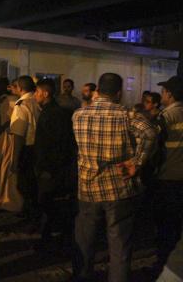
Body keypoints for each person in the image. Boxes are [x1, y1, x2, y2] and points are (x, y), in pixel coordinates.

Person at [72, 73, 156, 282]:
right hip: (119, 188)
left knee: (84, 242)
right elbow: (150, 134)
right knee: (119, 247)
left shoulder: (78, 115)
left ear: (97, 91)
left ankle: (83, 277)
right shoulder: (127, 115)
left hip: (88, 187)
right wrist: (136, 163)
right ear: (118, 93)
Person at [33, 78, 76, 243]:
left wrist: (46, 168)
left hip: (50, 168)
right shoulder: (52, 111)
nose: (35, 95)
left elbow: (53, 143)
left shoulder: (52, 114)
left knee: (48, 203)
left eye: (37, 92)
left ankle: (48, 239)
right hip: (52, 167)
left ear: (45, 93)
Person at [0, 76, 40, 215]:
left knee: (24, 184)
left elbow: (18, 135)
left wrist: (15, 158)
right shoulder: (36, 101)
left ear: (20, 88)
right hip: (37, 147)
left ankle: (28, 215)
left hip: (26, 148)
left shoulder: (21, 105)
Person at [153, 76, 183, 272]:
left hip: (168, 177)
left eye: (164, 91)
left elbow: (153, 146)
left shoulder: (166, 117)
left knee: (166, 225)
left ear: (169, 94)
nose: (162, 94)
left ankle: (163, 263)